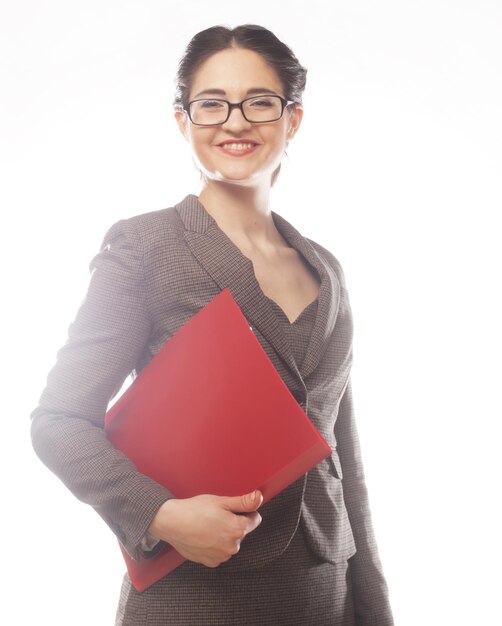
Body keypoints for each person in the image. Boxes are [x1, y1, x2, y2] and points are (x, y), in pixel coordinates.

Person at [31, 24, 394, 626]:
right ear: (183, 121)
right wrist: (161, 515)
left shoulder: (327, 269)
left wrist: (373, 609)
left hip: (323, 596)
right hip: (196, 594)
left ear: (292, 118)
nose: (235, 121)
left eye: (259, 101)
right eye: (211, 104)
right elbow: (58, 422)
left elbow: (341, 459)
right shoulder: (145, 247)